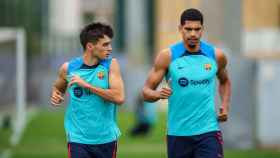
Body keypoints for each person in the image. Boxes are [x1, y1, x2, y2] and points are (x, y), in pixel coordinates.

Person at [142, 8, 231, 158]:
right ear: (180, 29)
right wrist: (158, 94)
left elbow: (225, 81)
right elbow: (146, 92)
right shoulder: (167, 56)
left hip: (208, 131)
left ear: (202, 29)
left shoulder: (216, 56)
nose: (193, 34)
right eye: (188, 29)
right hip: (178, 134)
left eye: (197, 29)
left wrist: (225, 105)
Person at [50, 22, 125, 158]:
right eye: (105, 44)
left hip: (106, 139)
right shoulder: (68, 68)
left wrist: (87, 86)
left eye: (110, 44)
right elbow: (57, 87)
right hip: (77, 139)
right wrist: (56, 94)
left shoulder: (111, 65)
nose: (110, 48)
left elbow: (119, 98)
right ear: (90, 46)